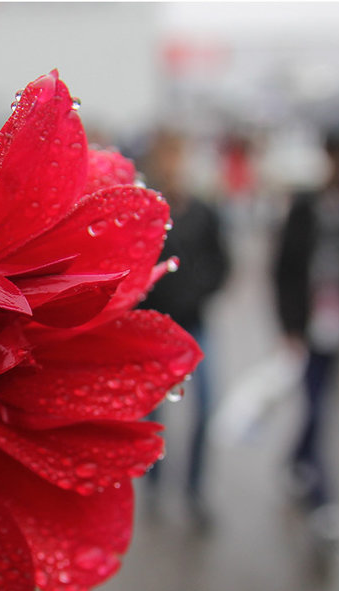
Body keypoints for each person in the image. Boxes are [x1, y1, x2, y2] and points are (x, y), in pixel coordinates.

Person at [272, 130, 339, 543]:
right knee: (316, 404)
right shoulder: (306, 204)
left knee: (322, 398)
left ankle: (296, 458)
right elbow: (282, 269)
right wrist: (289, 326)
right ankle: (321, 494)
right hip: (309, 318)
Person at [140, 129, 231, 530]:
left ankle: (194, 490)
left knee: (205, 409)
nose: (174, 165)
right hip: (155, 334)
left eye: (180, 156)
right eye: (168, 156)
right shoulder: (149, 209)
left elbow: (224, 263)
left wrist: (200, 291)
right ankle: (155, 485)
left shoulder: (205, 212)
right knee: (154, 415)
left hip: (195, 326)